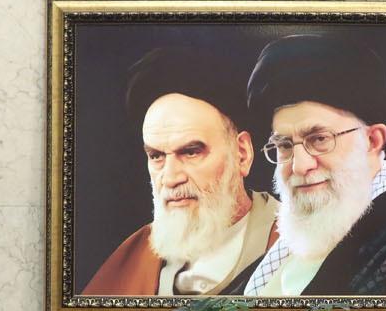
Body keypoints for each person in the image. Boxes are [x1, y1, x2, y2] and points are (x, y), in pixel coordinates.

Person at [228, 33, 386, 296]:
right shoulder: (293, 243)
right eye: (285, 145)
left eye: (319, 139)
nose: (299, 166)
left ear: (372, 141)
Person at [82, 46, 279, 295]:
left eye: (191, 152)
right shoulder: (135, 256)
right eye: (156, 156)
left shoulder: (292, 246)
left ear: (242, 153)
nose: (171, 178)